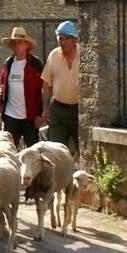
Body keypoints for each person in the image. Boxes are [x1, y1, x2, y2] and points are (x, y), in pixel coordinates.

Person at [0, 27, 44, 148]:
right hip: (10, 116)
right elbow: (3, 86)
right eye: (14, 43)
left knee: (32, 151)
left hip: (30, 117)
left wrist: (40, 114)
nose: (16, 45)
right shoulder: (8, 63)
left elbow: (41, 91)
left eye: (19, 42)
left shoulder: (36, 64)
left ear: (27, 45)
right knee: (7, 149)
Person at [39, 20, 80, 156]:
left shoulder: (84, 54)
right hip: (58, 109)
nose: (63, 42)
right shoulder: (54, 55)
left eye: (67, 38)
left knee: (84, 150)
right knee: (54, 151)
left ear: (74, 39)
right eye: (60, 38)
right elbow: (46, 84)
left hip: (80, 111)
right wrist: (45, 109)